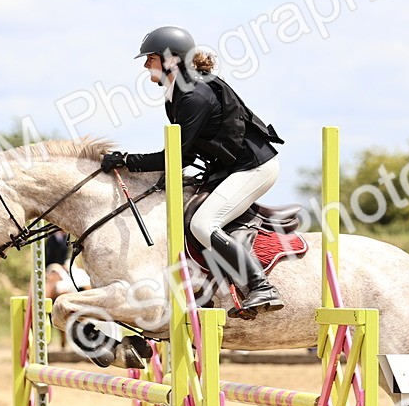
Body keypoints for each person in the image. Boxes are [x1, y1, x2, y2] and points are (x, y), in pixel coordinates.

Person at [100, 25, 286, 317]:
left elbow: (175, 156)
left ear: (171, 60)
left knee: (203, 224)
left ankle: (260, 285)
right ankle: (206, 288)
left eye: (151, 58)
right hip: (227, 168)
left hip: (254, 167)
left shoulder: (194, 95)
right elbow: (185, 155)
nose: (146, 64)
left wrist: (127, 160)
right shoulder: (176, 94)